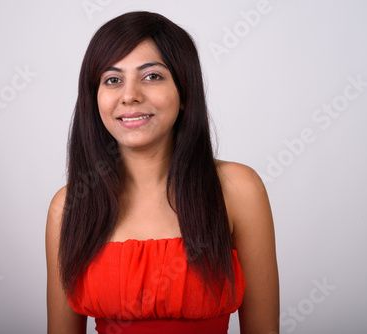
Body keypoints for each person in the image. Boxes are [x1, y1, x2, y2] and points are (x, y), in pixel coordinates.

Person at [46, 11, 279, 334]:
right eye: (112, 80)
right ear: (94, 98)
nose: (130, 96)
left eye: (152, 76)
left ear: (184, 92)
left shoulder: (238, 188)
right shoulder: (68, 205)